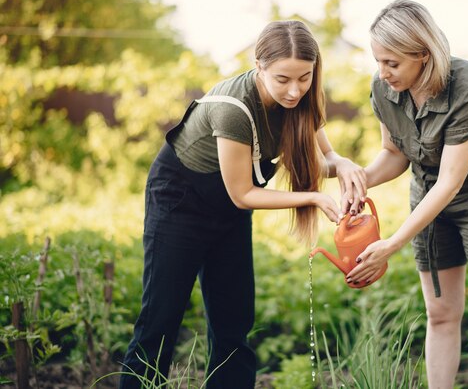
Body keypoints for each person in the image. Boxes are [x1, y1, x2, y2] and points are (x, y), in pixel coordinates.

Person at [119, 20, 366, 389]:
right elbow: (243, 193)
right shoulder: (234, 107)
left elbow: (324, 158)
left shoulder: (303, 100)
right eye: (283, 79)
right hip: (179, 199)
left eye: (305, 77)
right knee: (161, 319)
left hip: (229, 209)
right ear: (259, 65)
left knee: (233, 322)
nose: (295, 90)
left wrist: (344, 164)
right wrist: (314, 196)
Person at [346, 0, 468, 388]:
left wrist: (393, 242)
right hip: (428, 197)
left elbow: (451, 180)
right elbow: (394, 155)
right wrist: (360, 179)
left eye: (392, 63)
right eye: (378, 61)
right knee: (441, 314)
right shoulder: (384, 89)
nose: (382, 73)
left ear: (423, 54)